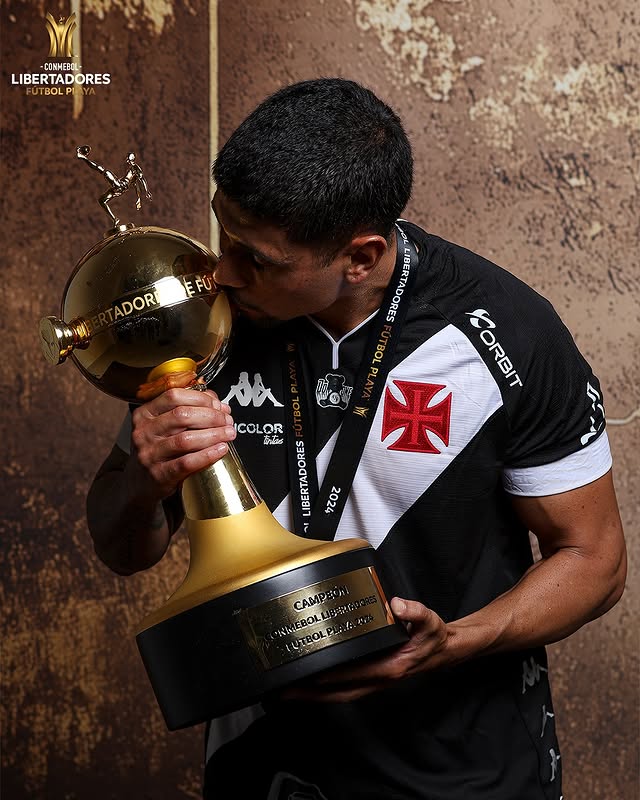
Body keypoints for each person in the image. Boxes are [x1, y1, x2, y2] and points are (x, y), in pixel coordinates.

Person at [87, 79, 627, 800]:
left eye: (258, 259)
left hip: (464, 775)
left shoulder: (509, 333)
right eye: (225, 237)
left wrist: (451, 644)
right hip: (261, 769)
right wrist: (142, 482)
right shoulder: (198, 326)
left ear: (362, 258)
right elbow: (122, 549)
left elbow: (595, 561)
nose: (222, 272)